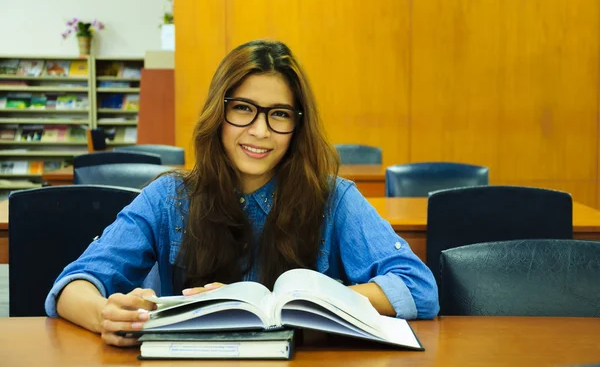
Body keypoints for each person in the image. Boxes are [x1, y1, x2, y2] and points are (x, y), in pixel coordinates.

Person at [45, 40, 439, 347]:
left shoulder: (332, 198)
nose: (260, 131)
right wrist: (105, 315)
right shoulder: (168, 197)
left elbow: (417, 288)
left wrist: (303, 303)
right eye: (243, 109)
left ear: (298, 125)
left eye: (279, 114)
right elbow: (72, 286)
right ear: (220, 112)